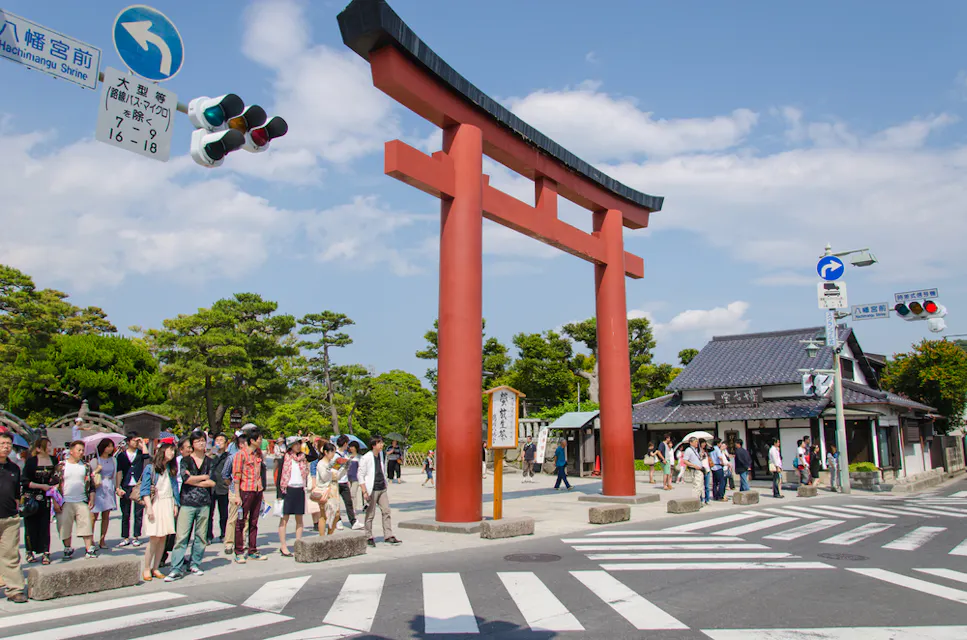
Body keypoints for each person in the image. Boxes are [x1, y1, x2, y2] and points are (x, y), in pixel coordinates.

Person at [166, 431, 215, 581]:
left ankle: (195, 562)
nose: (201, 443)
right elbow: (185, 479)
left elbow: (213, 481)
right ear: (192, 444)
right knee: (182, 536)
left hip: (204, 502)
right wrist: (203, 478)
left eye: (203, 440)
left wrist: (196, 479)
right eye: (198, 441)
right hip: (187, 501)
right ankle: (176, 567)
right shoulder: (185, 461)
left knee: (201, 536)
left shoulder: (210, 461)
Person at [140, 443, 179, 582]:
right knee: (154, 537)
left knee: (163, 537)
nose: (172, 453)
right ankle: (146, 567)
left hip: (168, 502)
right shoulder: (150, 469)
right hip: (156, 503)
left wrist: (175, 504)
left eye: (174, 451)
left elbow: (174, 488)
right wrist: (149, 507)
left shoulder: (171, 469)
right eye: (170, 450)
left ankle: (156, 567)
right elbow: (144, 490)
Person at [55, 440, 98, 559]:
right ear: (71, 451)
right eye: (79, 450)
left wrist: (92, 498)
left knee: (86, 525)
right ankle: (67, 548)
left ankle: (89, 549)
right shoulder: (61, 466)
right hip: (65, 501)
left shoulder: (86, 466)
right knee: (64, 526)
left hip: (81, 500)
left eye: (83, 450)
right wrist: (55, 502)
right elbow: (54, 485)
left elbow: (92, 485)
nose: (81, 452)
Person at [232, 429, 267, 563]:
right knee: (241, 521)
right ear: (252, 440)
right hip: (245, 490)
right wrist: (237, 495)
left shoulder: (258, 454)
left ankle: (252, 549)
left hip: (257, 490)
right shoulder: (241, 455)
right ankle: (239, 551)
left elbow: (259, 474)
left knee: (254, 521)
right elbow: (236, 476)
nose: (261, 441)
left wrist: (262, 492)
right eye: (259, 438)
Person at [359, 436, 401, 547]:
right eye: (379, 443)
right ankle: (368, 536)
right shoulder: (366, 457)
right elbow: (361, 475)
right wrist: (364, 491)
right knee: (370, 513)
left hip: (382, 487)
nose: (381, 445)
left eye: (382, 443)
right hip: (371, 488)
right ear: (373, 445)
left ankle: (388, 534)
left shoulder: (381, 455)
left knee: (386, 510)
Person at [22, 437, 58, 565]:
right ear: (38, 448)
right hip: (32, 496)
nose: (49, 448)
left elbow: (56, 478)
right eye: (46, 446)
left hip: (47, 497)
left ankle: (45, 552)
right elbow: (25, 481)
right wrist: (41, 486)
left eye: (50, 445)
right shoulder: (31, 462)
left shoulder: (54, 460)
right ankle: (29, 551)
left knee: (44, 525)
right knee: (31, 525)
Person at [0, 432, 26, 602]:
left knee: (10, 555)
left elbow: (17, 494)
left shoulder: (14, 468)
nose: (6, 447)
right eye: (2, 443)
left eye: (8, 444)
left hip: (9, 518)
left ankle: (15, 589)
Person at [116, 432, 150, 548]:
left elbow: (147, 457)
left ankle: (136, 536)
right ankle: (125, 537)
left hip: (137, 485)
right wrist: (118, 487)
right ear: (128, 441)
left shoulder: (140, 454)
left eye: (137, 440)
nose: (136, 442)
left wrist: (142, 444)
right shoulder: (121, 455)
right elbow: (119, 471)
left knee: (138, 513)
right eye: (134, 440)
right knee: (125, 513)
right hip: (125, 485)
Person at [278, 436, 309, 557]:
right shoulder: (285, 457)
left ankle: (298, 543)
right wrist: (279, 494)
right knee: (284, 519)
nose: (298, 446)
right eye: (296, 444)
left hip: (300, 488)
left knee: (299, 519)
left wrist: (308, 443)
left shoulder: (303, 458)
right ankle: (283, 545)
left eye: (299, 444)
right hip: (288, 489)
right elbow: (279, 475)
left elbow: (314, 456)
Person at [91, 438, 121, 550]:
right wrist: (97, 470)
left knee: (106, 515)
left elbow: (116, 473)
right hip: (98, 486)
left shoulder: (113, 460)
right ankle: (91, 539)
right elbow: (90, 475)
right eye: (108, 446)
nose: (110, 448)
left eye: (111, 446)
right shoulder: (95, 460)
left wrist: (117, 487)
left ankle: (102, 539)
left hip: (109, 486)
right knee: (94, 516)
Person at [314, 442, 342, 536]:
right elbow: (324, 477)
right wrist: (332, 473)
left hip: (333, 489)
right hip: (324, 490)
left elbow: (338, 476)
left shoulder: (331, 463)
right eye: (332, 452)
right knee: (324, 515)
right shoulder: (321, 464)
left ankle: (330, 534)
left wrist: (343, 468)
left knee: (336, 514)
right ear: (326, 452)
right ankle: (322, 537)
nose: (333, 454)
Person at [334, 435, 361, 530]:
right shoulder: (335, 454)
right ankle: (338, 520)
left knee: (348, 502)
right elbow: (334, 468)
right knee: (336, 503)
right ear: (345, 443)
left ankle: (353, 521)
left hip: (345, 481)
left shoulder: (346, 454)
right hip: (336, 481)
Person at [209, 434, 231, 543]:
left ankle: (224, 533)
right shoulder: (210, 455)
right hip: (211, 487)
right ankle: (208, 535)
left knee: (224, 513)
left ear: (227, 443)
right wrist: (212, 453)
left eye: (221, 440)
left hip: (223, 487)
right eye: (217, 440)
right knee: (209, 513)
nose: (219, 442)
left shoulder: (229, 456)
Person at [683, 437, 704, 504]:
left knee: (700, 486)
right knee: (696, 486)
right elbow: (685, 461)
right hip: (695, 470)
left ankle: (698, 500)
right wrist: (694, 465)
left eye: (697, 442)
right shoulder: (688, 450)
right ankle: (695, 501)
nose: (696, 443)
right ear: (691, 443)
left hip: (699, 469)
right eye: (695, 442)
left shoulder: (695, 450)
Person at [347, 442, 363, 514]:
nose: (351, 448)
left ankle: (353, 509)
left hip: (356, 478)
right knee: (349, 495)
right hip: (348, 477)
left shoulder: (359, 457)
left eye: (353, 447)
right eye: (350, 447)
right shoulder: (347, 456)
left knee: (353, 493)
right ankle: (350, 508)